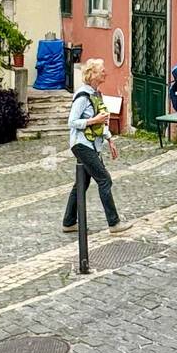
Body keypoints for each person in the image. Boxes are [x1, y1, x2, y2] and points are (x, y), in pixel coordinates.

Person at [61, 59, 127, 236]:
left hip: (92, 144)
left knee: (81, 183)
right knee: (105, 179)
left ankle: (68, 222)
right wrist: (93, 121)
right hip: (82, 144)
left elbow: (103, 119)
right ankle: (114, 223)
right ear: (92, 75)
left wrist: (109, 139)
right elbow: (72, 122)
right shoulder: (83, 96)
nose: (105, 73)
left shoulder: (97, 94)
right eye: (102, 71)